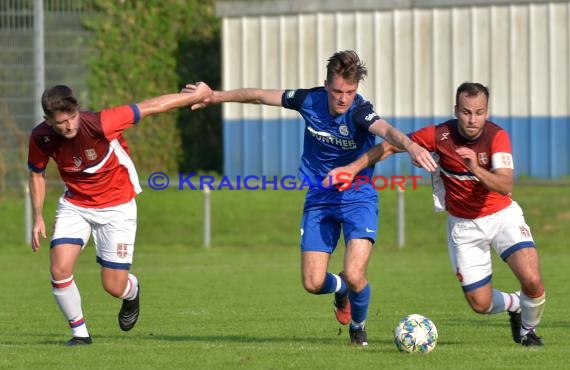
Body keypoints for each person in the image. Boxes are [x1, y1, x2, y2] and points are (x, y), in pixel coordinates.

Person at [187, 50, 437, 346]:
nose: (343, 98)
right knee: (313, 283)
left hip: (358, 197)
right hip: (320, 197)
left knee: (357, 274)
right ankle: (340, 288)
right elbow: (259, 96)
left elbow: (387, 131)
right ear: (325, 85)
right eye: (337, 91)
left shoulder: (359, 111)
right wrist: (214, 96)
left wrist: (410, 146)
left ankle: (358, 328)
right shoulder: (309, 100)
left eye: (350, 92)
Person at [326, 82, 546, 347]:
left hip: (502, 216)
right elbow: (391, 146)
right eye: (466, 112)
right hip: (463, 227)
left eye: (478, 112)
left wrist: (474, 167)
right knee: (480, 303)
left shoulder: (497, 137)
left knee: (532, 280)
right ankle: (514, 304)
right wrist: (352, 167)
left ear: (487, 112)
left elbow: (505, 185)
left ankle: (528, 332)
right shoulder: (440, 135)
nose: (472, 119)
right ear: (456, 110)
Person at [28, 83, 211, 346]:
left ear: (77, 110)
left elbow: (150, 106)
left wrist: (195, 96)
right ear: (47, 121)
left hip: (117, 205)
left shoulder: (101, 123)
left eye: (71, 118)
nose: (68, 126)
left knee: (114, 286)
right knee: (59, 268)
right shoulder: (40, 137)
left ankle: (131, 292)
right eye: (60, 123)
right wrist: (37, 216)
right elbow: (37, 173)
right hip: (76, 205)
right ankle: (80, 334)